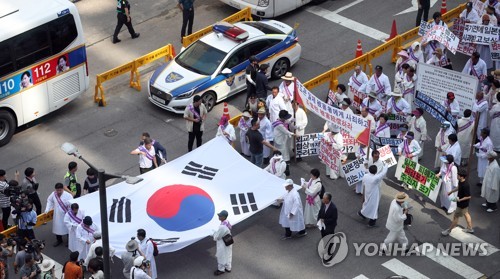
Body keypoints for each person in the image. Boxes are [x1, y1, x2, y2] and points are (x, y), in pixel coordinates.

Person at [441, 169, 473, 235]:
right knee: (466, 214)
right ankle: (470, 228)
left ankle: (449, 231)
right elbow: (459, 187)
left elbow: (469, 196)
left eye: (458, 175)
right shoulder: (461, 181)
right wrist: (451, 191)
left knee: (455, 217)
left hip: (462, 204)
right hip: (463, 204)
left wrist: (459, 200)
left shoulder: (465, 185)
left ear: (462, 177)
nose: (457, 176)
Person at [45, 183, 72, 247]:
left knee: (67, 228)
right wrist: (47, 209)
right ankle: (59, 240)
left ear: (63, 189)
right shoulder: (53, 194)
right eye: (57, 190)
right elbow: (49, 200)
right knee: (57, 227)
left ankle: (69, 241)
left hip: (66, 215)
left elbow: (71, 204)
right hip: (57, 215)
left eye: (60, 190)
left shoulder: (68, 195)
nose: (59, 192)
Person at [212, 210, 232, 276]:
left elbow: (217, 237)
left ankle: (221, 269)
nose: (219, 217)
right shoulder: (227, 222)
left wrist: (213, 233)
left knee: (221, 256)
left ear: (224, 217)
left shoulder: (222, 227)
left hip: (222, 244)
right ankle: (228, 267)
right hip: (228, 241)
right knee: (228, 255)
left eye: (220, 216)